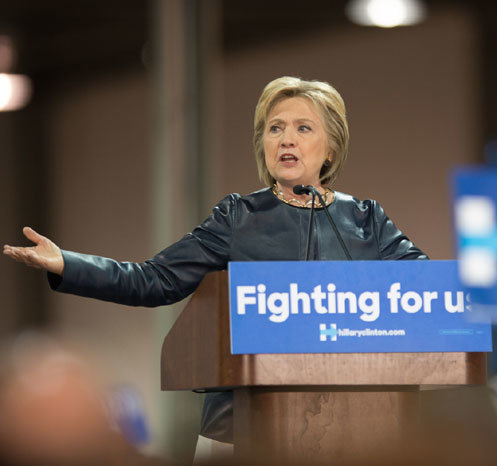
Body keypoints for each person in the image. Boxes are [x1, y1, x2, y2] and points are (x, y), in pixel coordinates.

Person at [3, 76, 427, 446]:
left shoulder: (366, 221)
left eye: (303, 128)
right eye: (275, 128)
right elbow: (155, 279)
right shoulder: (239, 217)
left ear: (330, 148)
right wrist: (67, 263)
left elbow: (427, 291)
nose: (286, 139)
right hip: (240, 429)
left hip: (354, 430)